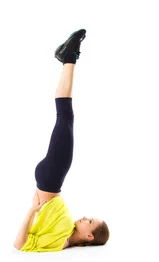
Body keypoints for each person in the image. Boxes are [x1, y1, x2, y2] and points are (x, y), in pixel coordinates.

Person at [13, 29, 110, 252]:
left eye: (90, 221)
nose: (86, 217)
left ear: (88, 235)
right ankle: (67, 56)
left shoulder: (61, 242)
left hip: (51, 178)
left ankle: (69, 56)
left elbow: (20, 245)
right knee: (65, 115)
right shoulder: (65, 233)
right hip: (52, 179)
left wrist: (32, 210)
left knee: (65, 115)